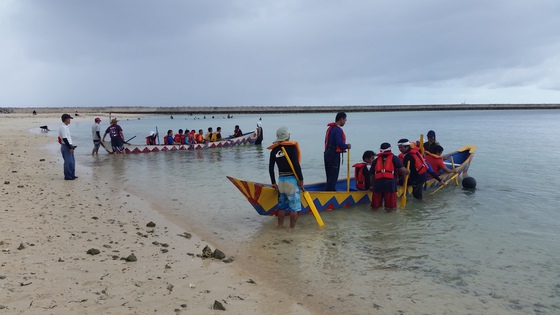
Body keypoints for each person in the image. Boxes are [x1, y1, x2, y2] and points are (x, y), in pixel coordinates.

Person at [267, 127, 304, 231]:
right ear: (287, 137)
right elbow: (296, 165)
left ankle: (279, 226)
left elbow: (270, 167)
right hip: (291, 181)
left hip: (281, 181)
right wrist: (301, 179)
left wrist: (273, 182)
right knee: (294, 208)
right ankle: (291, 229)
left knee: (281, 207)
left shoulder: (274, 150)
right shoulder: (291, 147)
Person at [370, 143, 409, 211]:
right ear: (390, 150)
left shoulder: (375, 161)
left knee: (375, 207)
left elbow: (372, 175)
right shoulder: (394, 158)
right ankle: (390, 220)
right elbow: (402, 170)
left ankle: (375, 219)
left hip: (378, 184)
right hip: (389, 185)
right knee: (390, 208)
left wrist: (372, 186)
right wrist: (408, 171)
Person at [324, 112, 351, 191]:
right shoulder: (337, 130)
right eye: (345, 120)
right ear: (341, 119)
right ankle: (331, 192)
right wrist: (347, 146)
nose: (345, 122)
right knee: (333, 175)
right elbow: (339, 143)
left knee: (329, 174)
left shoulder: (330, 128)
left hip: (327, 153)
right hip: (333, 154)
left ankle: (328, 189)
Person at [58, 114, 77, 180]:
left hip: (69, 145)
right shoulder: (63, 127)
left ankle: (72, 174)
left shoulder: (66, 127)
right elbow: (65, 139)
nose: (70, 120)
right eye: (69, 119)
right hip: (66, 146)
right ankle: (68, 176)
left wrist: (72, 146)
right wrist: (70, 147)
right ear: (65, 119)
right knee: (68, 162)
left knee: (72, 161)